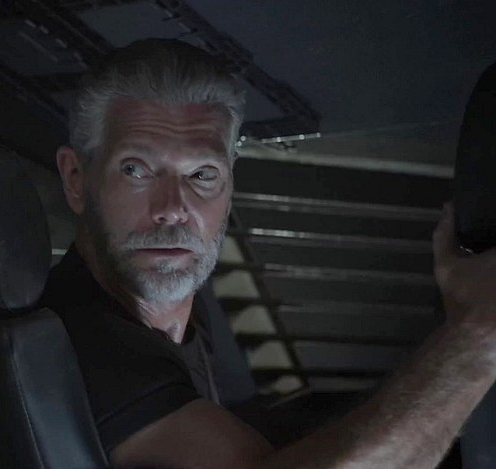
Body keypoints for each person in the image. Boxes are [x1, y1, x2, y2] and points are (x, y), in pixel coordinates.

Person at [38, 39, 496, 468]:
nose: (173, 208)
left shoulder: (172, 319)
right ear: (76, 179)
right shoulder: (81, 349)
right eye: (136, 170)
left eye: (202, 174)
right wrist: (478, 337)